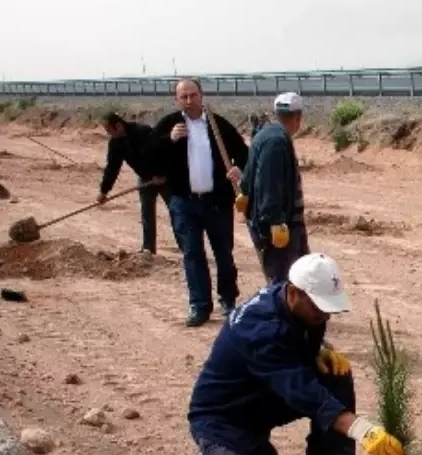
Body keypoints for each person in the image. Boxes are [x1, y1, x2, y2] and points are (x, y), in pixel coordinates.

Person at [186, 252, 404, 455]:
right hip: (224, 418)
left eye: (328, 308)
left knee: (335, 373)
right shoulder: (259, 331)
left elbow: (293, 352)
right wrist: (363, 431)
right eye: (319, 307)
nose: (325, 316)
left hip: (262, 396)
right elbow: (303, 391)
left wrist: (320, 349)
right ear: (293, 293)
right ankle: (254, 453)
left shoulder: (294, 303)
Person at [148, 78, 249, 327]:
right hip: (183, 201)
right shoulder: (168, 126)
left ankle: (228, 300)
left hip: (217, 201)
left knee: (223, 253)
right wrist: (168, 140)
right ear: (176, 100)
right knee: (192, 254)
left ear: (202, 96)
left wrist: (238, 171)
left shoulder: (218, 125)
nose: (189, 101)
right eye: (184, 97)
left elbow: (244, 155)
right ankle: (200, 306)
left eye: (193, 95)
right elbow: (149, 159)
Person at [241, 92, 309, 283]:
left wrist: (245, 192)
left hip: (279, 224)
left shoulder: (266, 134)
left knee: (292, 278)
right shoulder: (276, 142)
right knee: (285, 283)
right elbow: (268, 182)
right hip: (279, 228)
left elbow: (249, 175)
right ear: (298, 117)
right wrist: (275, 222)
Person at [97, 112, 177, 256]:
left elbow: (164, 151)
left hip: (165, 179)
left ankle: (187, 247)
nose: (109, 134)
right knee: (147, 213)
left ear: (119, 126)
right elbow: (112, 168)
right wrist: (104, 191)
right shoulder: (116, 143)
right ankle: (148, 250)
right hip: (145, 180)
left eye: (109, 130)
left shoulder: (143, 131)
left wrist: (163, 174)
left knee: (176, 211)